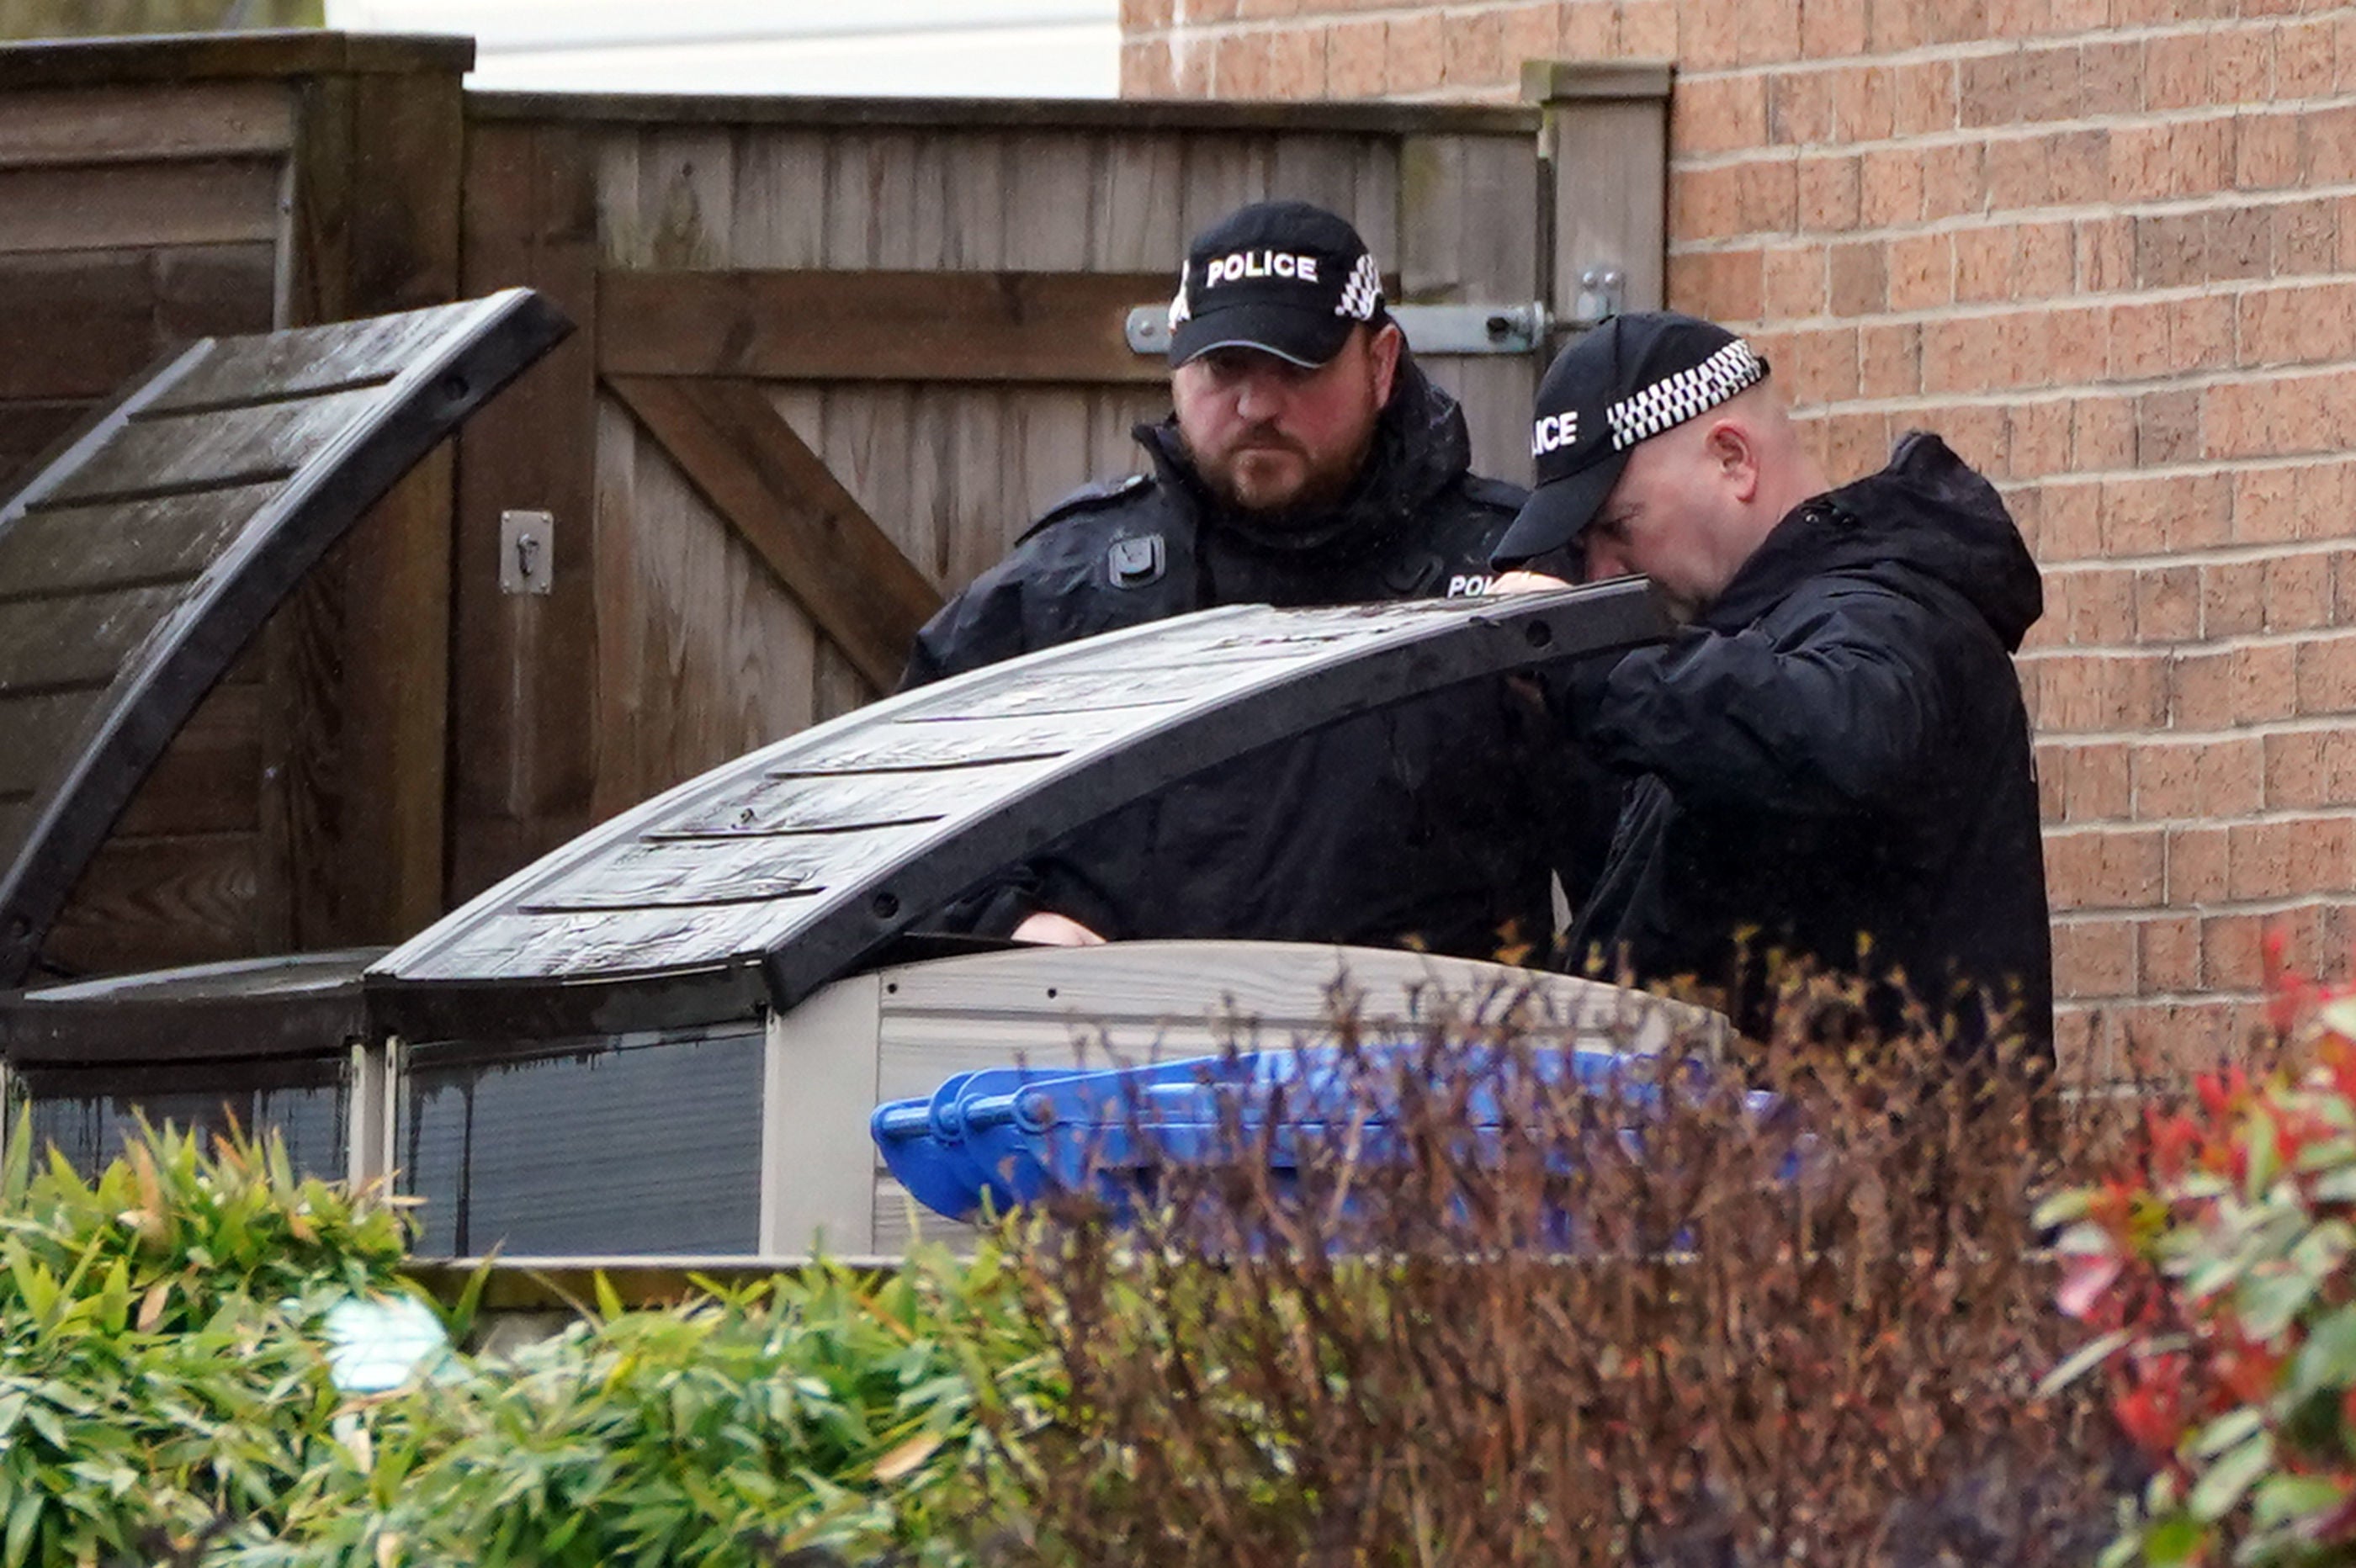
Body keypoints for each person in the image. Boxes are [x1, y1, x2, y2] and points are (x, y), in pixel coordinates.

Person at [901, 199, 1584, 961]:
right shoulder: (1066, 588)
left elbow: (1644, 860)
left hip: (1423, 1069)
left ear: (1381, 364)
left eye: (1297, 367)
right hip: (1111, 1066)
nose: (1258, 406)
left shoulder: (1511, 570)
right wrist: (1009, 924)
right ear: (1176, 367)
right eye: (1225, 369)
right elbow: (891, 816)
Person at [1491, 310, 2053, 1063]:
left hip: (1868, 1170)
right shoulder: (1739, 644)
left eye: (1617, 525)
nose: (1598, 573)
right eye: (1580, 546)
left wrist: (1579, 656)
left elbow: (1842, 737)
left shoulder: (1894, 611)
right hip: (1761, 1165)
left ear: (1733, 460)